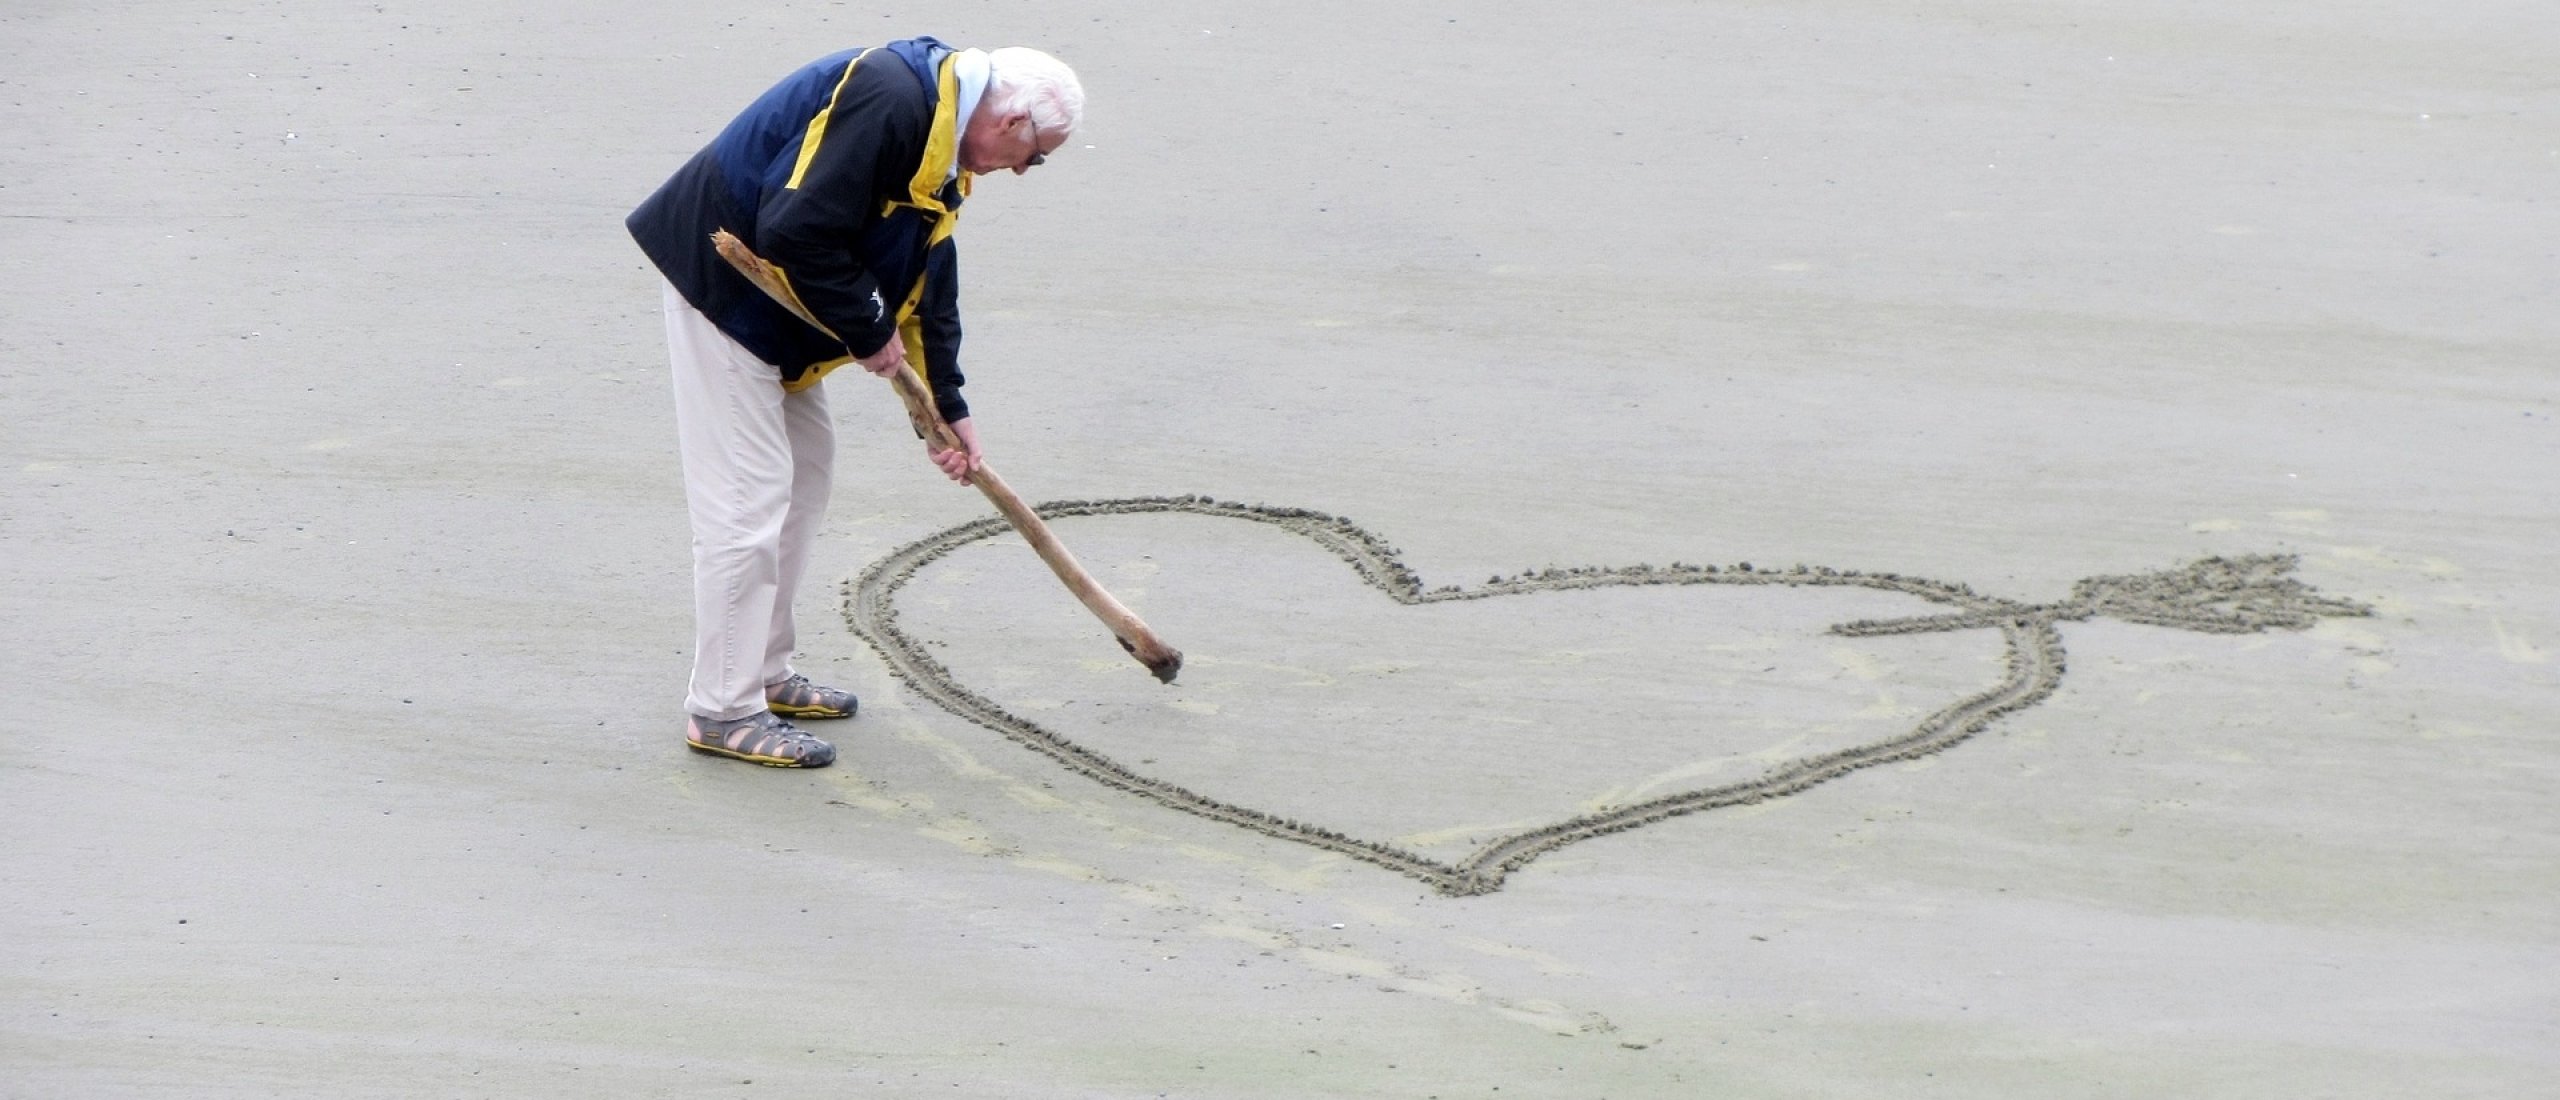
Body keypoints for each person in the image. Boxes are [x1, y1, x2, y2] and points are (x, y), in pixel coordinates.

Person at [626, 38, 1081, 768]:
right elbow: (791, 227)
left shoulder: (942, 142)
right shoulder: (893, 97)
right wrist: (869, 334)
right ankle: (721, 708)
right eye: (1036, 156)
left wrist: (945, 410)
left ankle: (764, 673)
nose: (1024, 172)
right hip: (722, 291)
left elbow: (927, 274)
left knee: (806, 476)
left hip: (779, 315)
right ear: (1013, 120)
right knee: (747, 504)